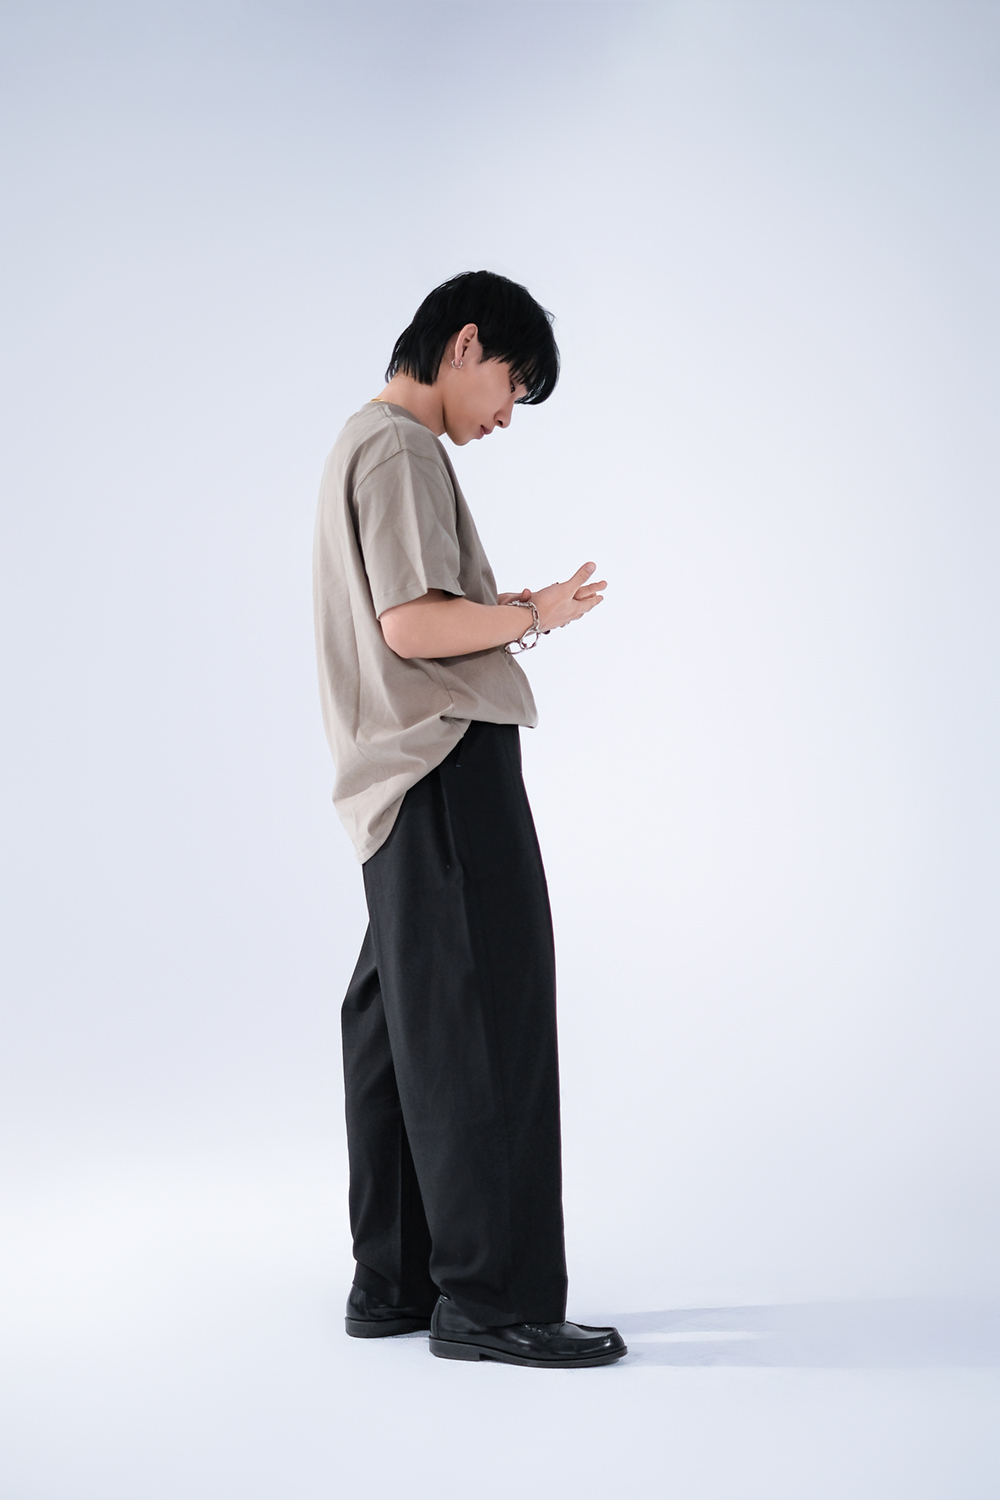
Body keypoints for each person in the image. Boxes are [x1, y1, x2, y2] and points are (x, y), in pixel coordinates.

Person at [312, 270, 626, 1368]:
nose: (505, 415)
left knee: (400, 1021)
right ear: (463, 343)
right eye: (510, 385)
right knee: (486, 1017)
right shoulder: (400, 448)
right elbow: (410, 625)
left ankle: (396, 1280)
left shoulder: (358, 442)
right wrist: (532, 612)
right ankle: (493, 1301)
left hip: (390, 777)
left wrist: (506, 614)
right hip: (443, 761)